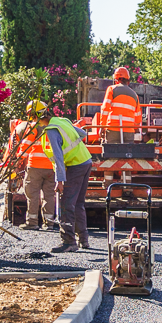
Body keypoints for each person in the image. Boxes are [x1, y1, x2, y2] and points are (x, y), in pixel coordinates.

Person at [43, 108, 94, 252]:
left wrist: (59, 181)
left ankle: (69, 242)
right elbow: (83, 133)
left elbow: (58, 157)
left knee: (67, 204)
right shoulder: (62, 121)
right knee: (78, 203)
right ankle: (83, 240)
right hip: (86, 161)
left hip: (76, 165)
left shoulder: (51, 130)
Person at [5, 100, 57, 229]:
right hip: (52, 166)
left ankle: (32, 222)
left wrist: (18, 161)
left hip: (35, 166)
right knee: (49, 195)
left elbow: (25, 146)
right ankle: (49, 223)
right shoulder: (55, 125)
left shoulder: (33, 126)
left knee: (32, 194)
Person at [97, 66, 143, 142]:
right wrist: (136, 128)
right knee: (128, 153)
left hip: (113, 129)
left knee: (110, 152)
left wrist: (102, 126)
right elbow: (138, 116)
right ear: (128, 80)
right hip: (129, 131)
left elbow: (105, 109)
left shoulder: (111, 89)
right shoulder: (134, 95)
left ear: (116, 80)